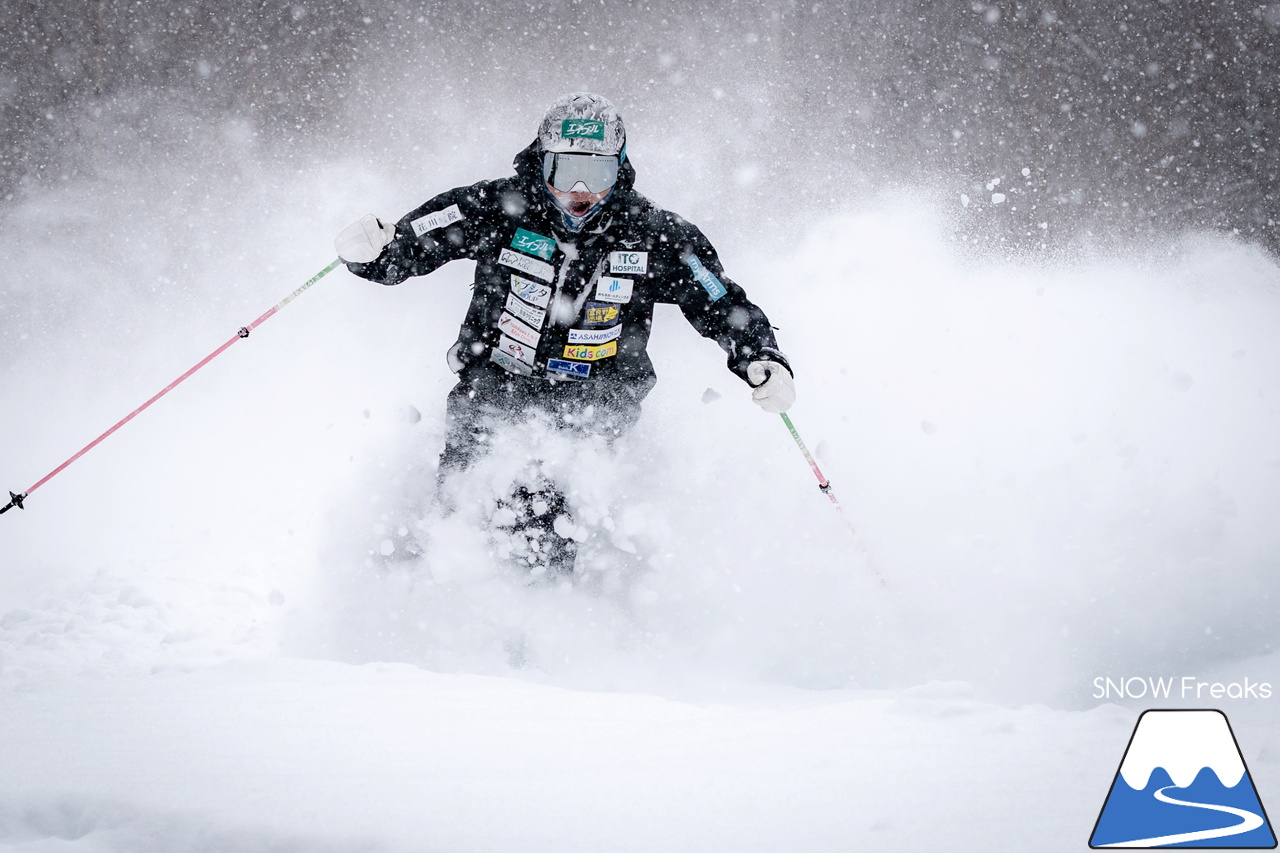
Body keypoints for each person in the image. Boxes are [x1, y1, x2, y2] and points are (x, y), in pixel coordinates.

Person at [335, 92, 794, 574]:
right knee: (462, 503)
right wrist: (372, 253)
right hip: (496, 382)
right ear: (541, 161)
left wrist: (761, 355)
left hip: (599, 397)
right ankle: (431, 597)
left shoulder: (657, 234)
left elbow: (722, 302)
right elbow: (407, 247)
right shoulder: (496, 207)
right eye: (564, 170)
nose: (580, 190)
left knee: (549, 524)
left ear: (620, 170)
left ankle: (552, 619)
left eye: (597, 174)